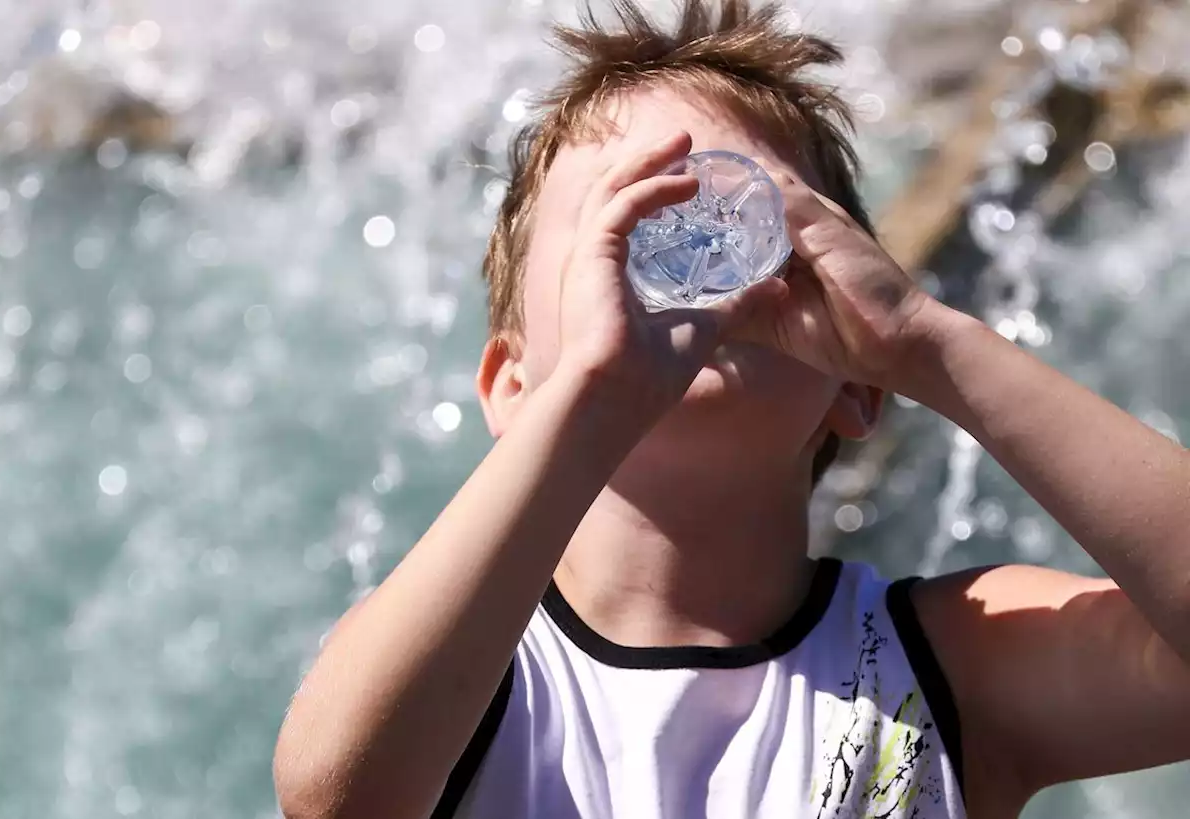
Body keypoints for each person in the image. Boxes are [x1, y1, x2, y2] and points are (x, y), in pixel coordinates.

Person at [273, 2, 1190, 817]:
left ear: (857, 391)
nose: (687, 265)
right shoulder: (476, 675)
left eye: (745, 221)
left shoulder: (948, 665)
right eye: (622, 223)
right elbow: (334, 789)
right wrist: (595, 393)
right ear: (514, 390)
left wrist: (928, 345)